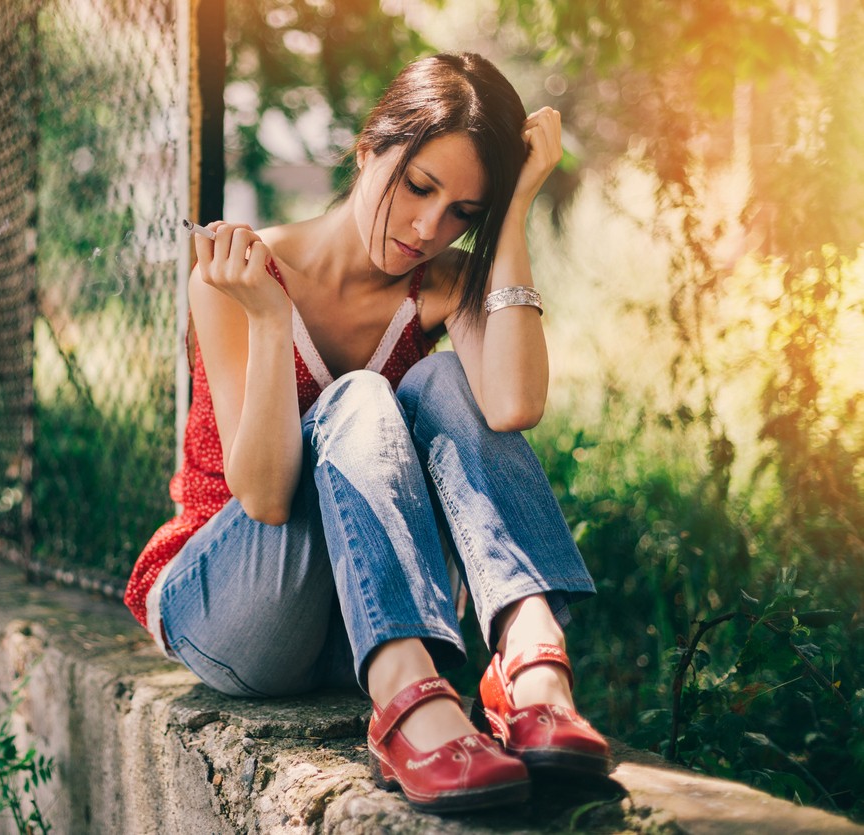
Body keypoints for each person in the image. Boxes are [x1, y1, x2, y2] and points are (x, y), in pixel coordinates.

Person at [124, 51, 609, 814]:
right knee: (360, 397)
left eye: (463, 212)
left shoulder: (441, 284)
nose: (428, 227)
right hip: (234, 608)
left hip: (357, 620)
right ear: (367, 148)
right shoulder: (239, 279)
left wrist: (512, 212)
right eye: (419, 186)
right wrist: (269, 319)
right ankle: (407, 705)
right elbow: (264, 496)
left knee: (448, 381)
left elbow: (512, 403)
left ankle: (529, 660)